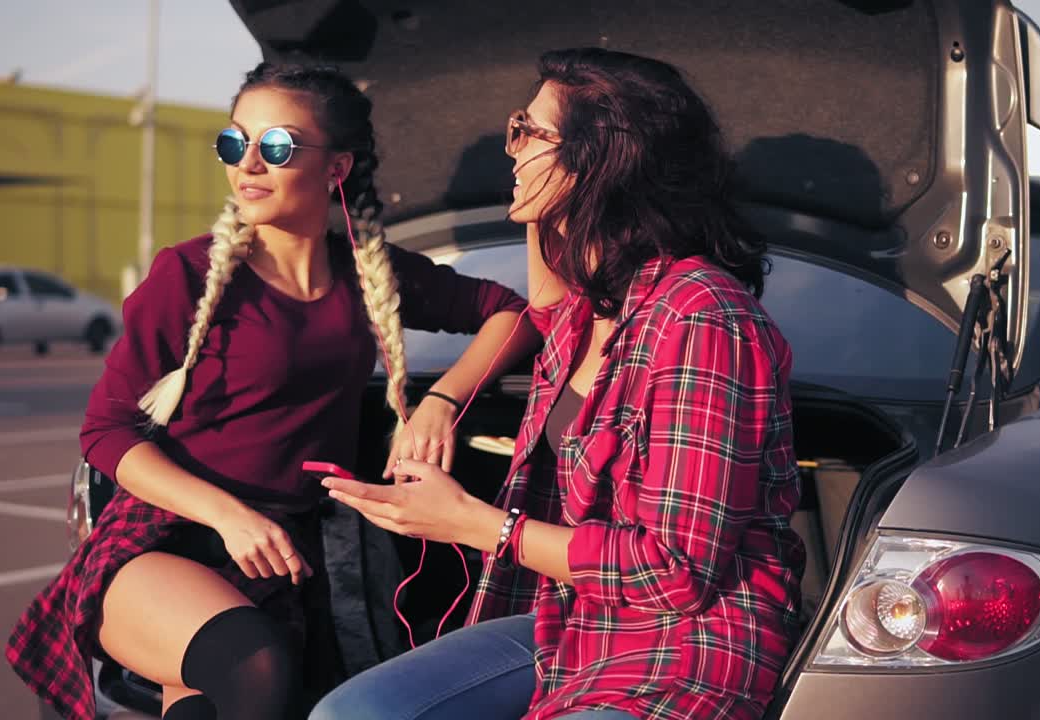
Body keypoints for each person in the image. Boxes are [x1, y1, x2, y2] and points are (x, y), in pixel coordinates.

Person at [5, 62, 540, 720]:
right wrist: (227, 516)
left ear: (336, 169)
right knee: (255, 669)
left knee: (216, 704)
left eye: (277, 146)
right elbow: (105, 431)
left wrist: (442, 401)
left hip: (285, 554)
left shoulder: (364, 274)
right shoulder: (189, 273)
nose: (248, 164)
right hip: (169, 540)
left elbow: (516, 315)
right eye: (235, 143)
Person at [313, 47, 806, 720]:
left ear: (602, 159)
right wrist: (440, 402)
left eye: (529, 132)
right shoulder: (583, 314)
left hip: (685, 650)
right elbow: (536, 302)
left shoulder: (702, 318)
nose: (509, 149)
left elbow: (674, 572)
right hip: (569, 630)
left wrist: (473, 524)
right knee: (351, 715)